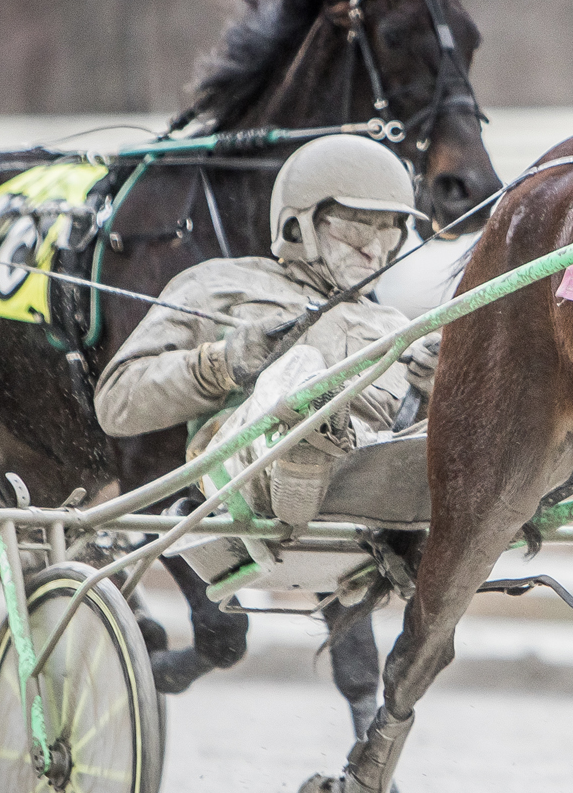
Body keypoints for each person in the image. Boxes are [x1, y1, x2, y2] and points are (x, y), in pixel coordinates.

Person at [94, 133, 440, 525]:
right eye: (358, 228)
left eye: (390, 232)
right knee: (303, 369)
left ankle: (351, 454)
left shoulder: (397, 327)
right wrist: (221, 364)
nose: (373, 249)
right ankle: (307, 456)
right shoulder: (221, 284)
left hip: (379, 475)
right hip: (248, 470)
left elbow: (413, 424)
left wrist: (433, 392)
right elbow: (115, 403)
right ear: (299, 224)